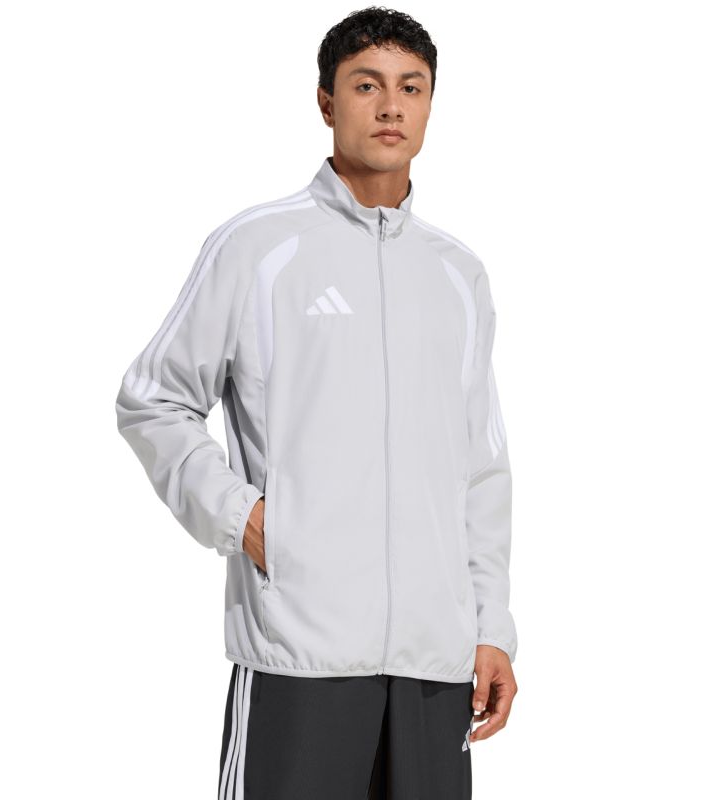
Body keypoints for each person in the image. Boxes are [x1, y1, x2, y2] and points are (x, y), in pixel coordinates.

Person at [115, 7, 519, 798]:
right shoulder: (258, 248)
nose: (391, 106)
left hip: (436, 663)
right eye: (367, 86)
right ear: (328, 103)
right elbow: (153, 399)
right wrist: (245, 519)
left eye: (411, 87)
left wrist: (490, 627)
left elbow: (481, 469)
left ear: (431, 103)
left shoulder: (458, 275)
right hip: (300, 652)